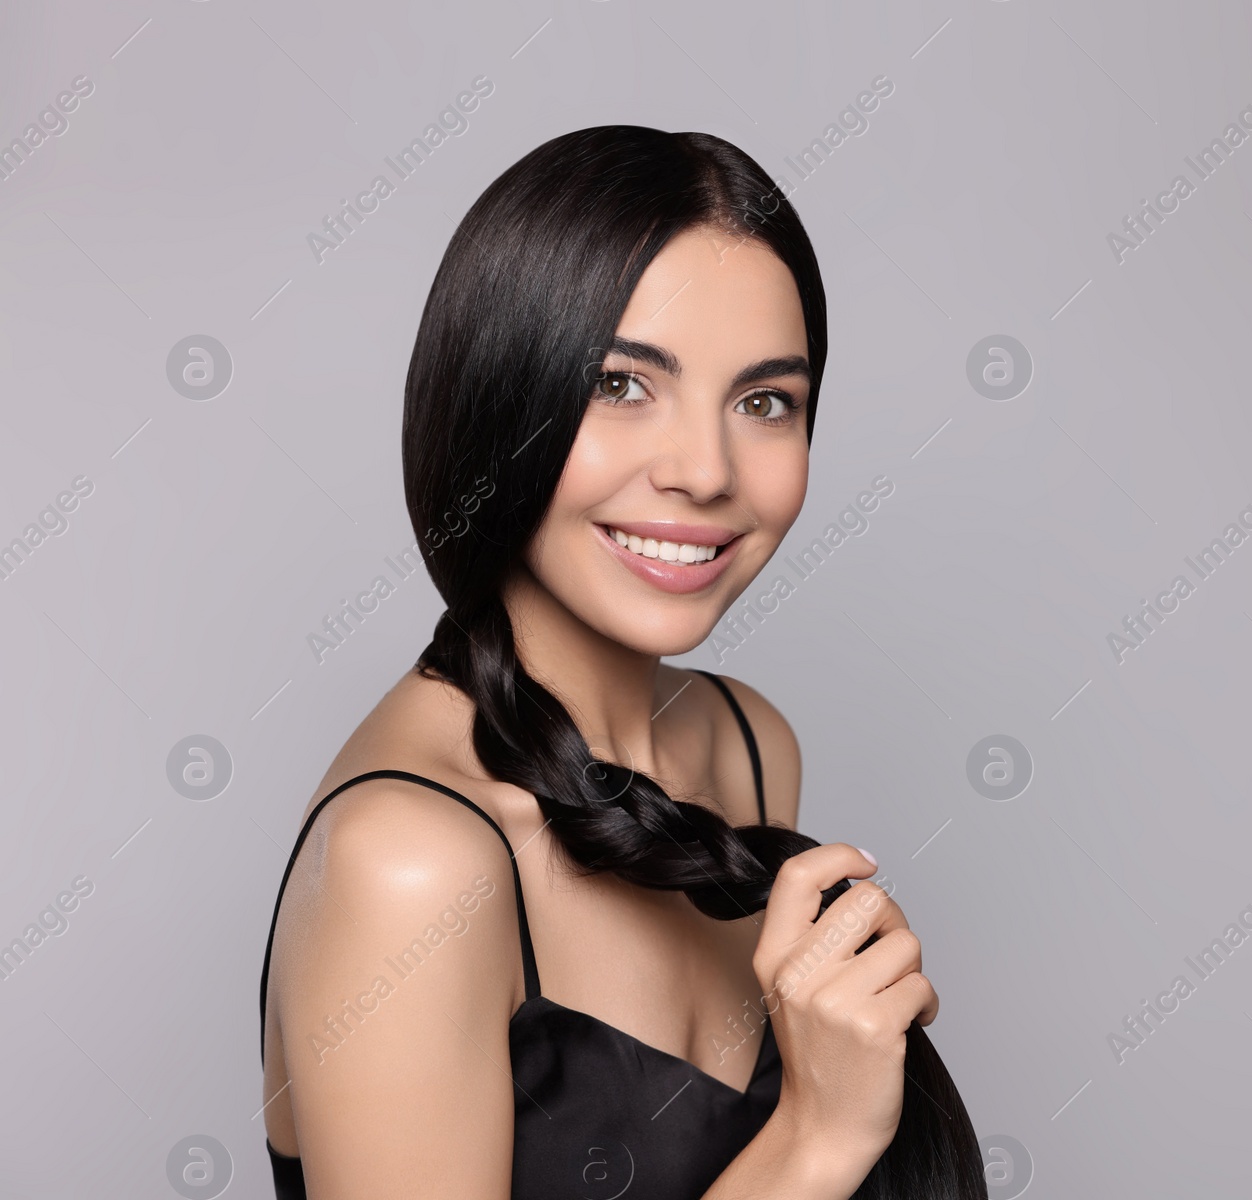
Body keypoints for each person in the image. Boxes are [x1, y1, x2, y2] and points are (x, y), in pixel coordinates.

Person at [258, 126, 983, 1199]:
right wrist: (815, 1140)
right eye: (621, 384)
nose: (703, 471)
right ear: (498, 399)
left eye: (764, 401)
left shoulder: (746, 744)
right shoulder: (408, 868)